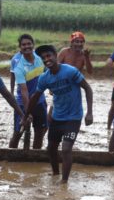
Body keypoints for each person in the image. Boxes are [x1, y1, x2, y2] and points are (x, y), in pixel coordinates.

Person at [22, 45, 93, 183]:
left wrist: (89, 112)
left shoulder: (70, 71)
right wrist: (25, 116)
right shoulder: (44, 78)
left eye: (48, 56)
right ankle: (55, 174)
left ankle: (64, 182)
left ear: (55, 55)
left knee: (66, 149)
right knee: (51, 148)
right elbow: (35, 97)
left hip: (73, 118)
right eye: (43, 58)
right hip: (57, 117)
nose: (46, 59)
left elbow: (88, 88)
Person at [9, 34, 47, 149]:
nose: (27, 47)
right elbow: (24, 91)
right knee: (18, 132)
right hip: (23, 102)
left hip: (39, 100)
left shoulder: (40, 58)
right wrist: (27, 112)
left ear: (33, 45)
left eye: (29, 44)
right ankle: (10, 157)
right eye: (23, 45)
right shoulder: (18, 63)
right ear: (20, 47)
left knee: (40, 133)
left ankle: (35, 158)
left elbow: (47, 74)